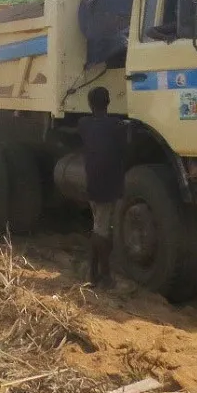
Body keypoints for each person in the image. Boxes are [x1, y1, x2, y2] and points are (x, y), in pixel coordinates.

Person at [79, 86, 127, 288]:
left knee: (99, 225)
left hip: (92, 182)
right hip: (108, 185)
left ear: (90, 104)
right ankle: (101, 275)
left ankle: (94, 272)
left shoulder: (84, 124)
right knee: (101, 230)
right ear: (108, 102)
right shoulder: (116, 125)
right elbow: (125, 144)